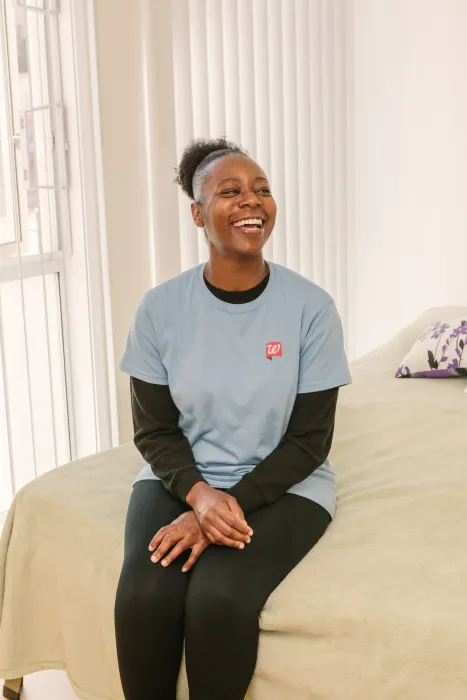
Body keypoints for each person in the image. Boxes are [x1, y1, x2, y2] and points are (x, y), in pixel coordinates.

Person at [114, 137, 352, 700]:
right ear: (198, 214)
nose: (252, 201)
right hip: (179, 478)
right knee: (144, 599)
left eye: (262, 190)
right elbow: (153, 430)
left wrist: (218, 508)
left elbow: (309, 440)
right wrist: (198, 496)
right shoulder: (160, 309)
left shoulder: (310, 308)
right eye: (231, 191)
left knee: (218, 600)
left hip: (286, 485)